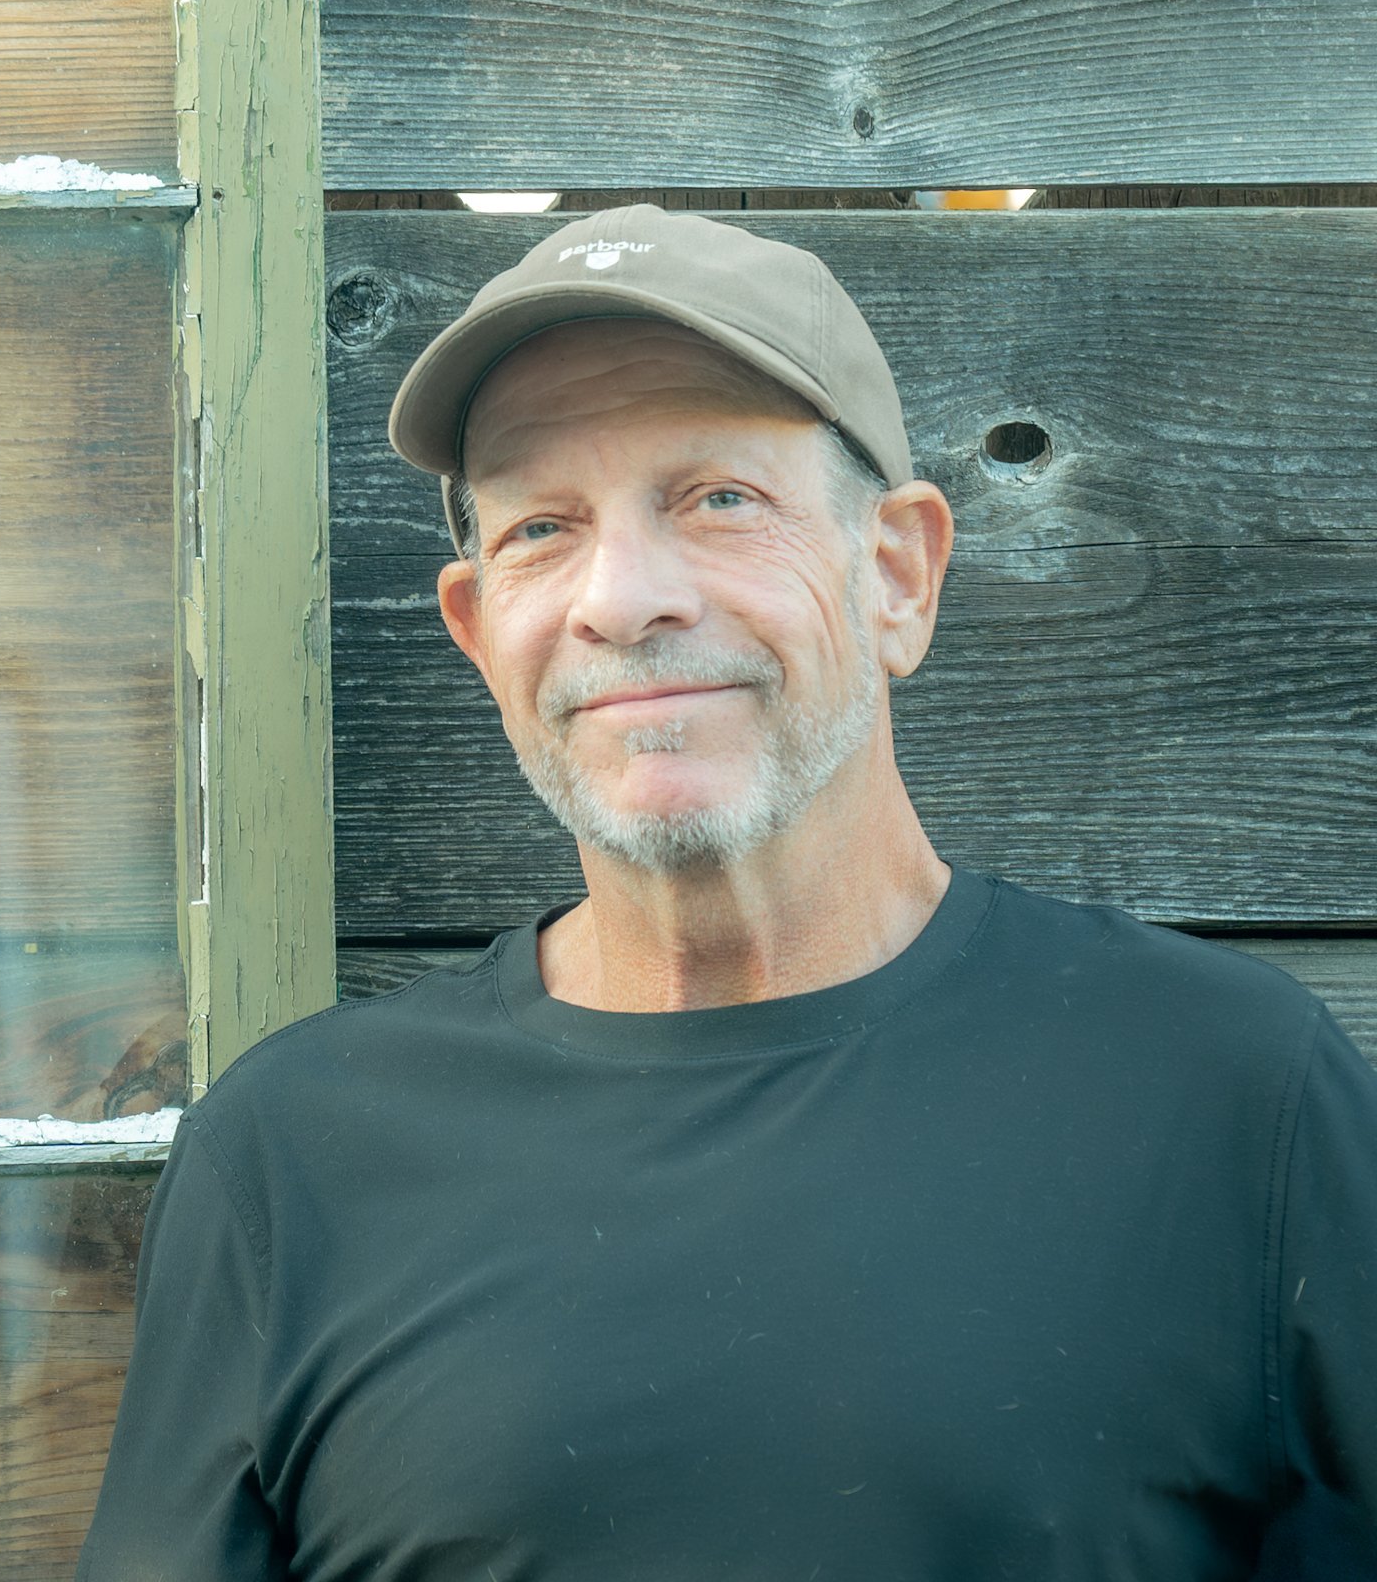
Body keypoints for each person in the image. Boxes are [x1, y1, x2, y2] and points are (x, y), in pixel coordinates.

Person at [76, 204, 1377, 1580]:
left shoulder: (1233, 1098)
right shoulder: (292, 1161)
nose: (623, 599)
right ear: (477, 632)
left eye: (718, 500)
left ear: (898, 576)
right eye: (540, 528)